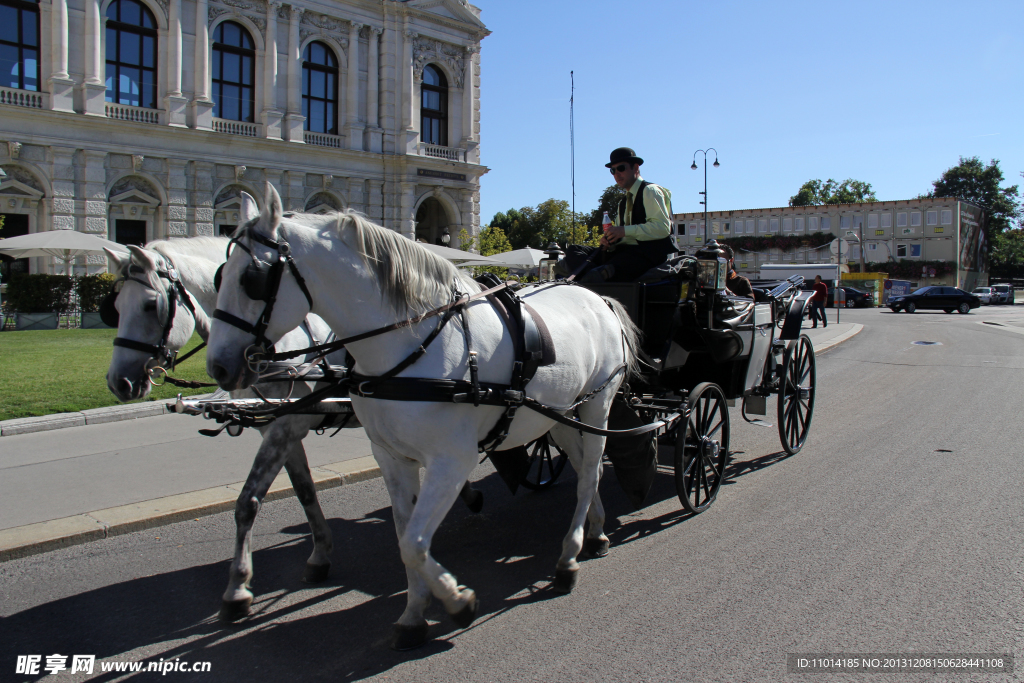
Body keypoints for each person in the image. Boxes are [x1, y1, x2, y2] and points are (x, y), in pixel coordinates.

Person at [557, 147, 674, 282]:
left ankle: (596, 275)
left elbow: (662, 228)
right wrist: (610, 241)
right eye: (613, 170)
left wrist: (623, 231)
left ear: (636, 168)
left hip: (646, 254)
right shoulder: (623, 202)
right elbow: (621, 235)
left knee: (612, 264)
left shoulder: (650, 190)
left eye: (621, 168)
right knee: (574, 250)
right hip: (624, 252)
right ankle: (595, 275)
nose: (616, 174)